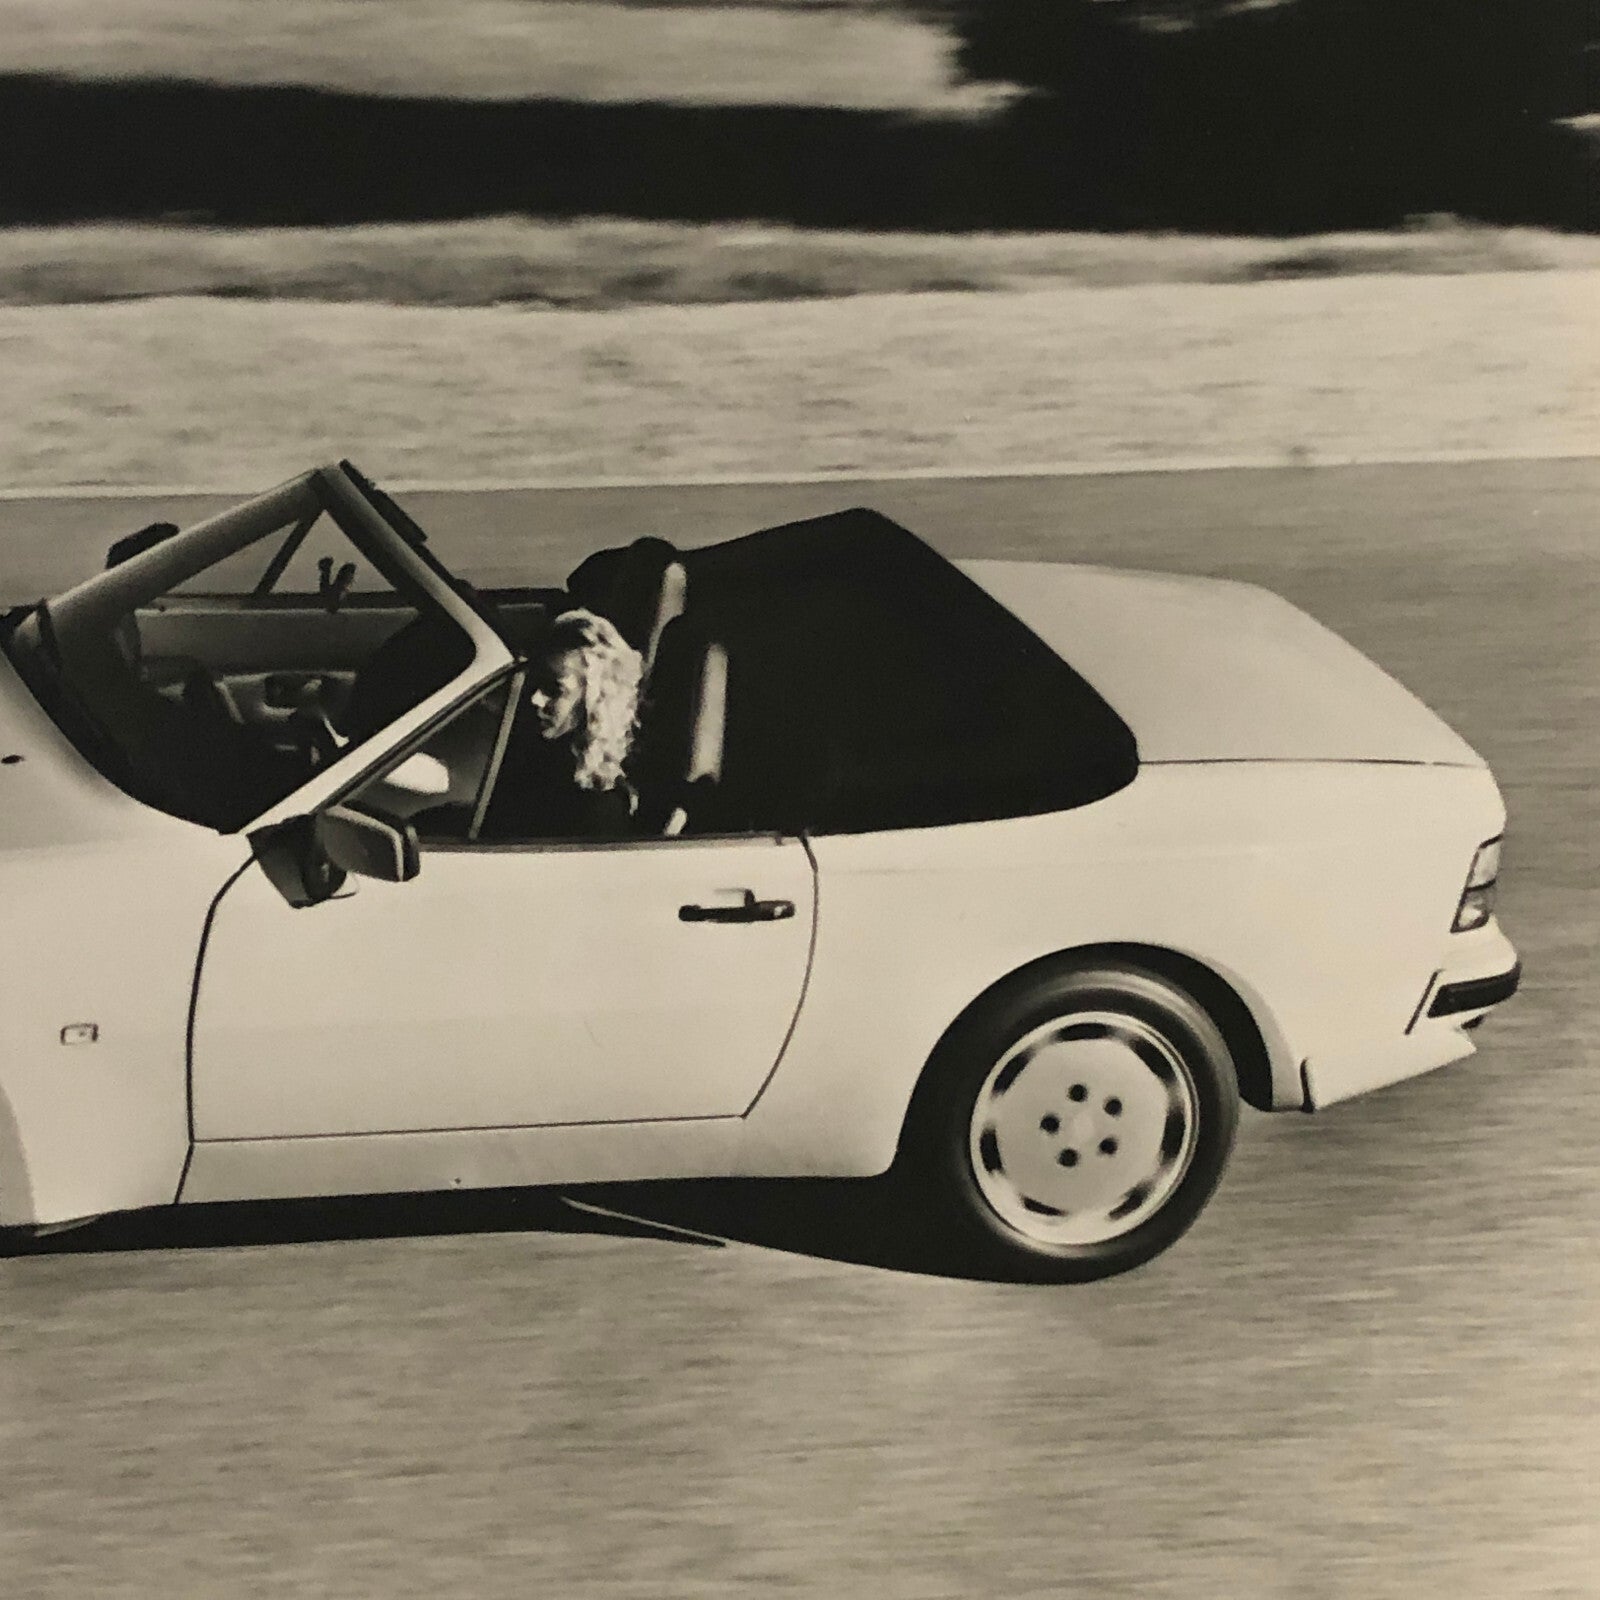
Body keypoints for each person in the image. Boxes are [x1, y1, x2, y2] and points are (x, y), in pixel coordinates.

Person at [479, 607, 644, 839]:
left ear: (593, 702)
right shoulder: (531, 760)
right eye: (535, 683)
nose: (535, 699)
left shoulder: (599, 806)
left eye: (554, 690)